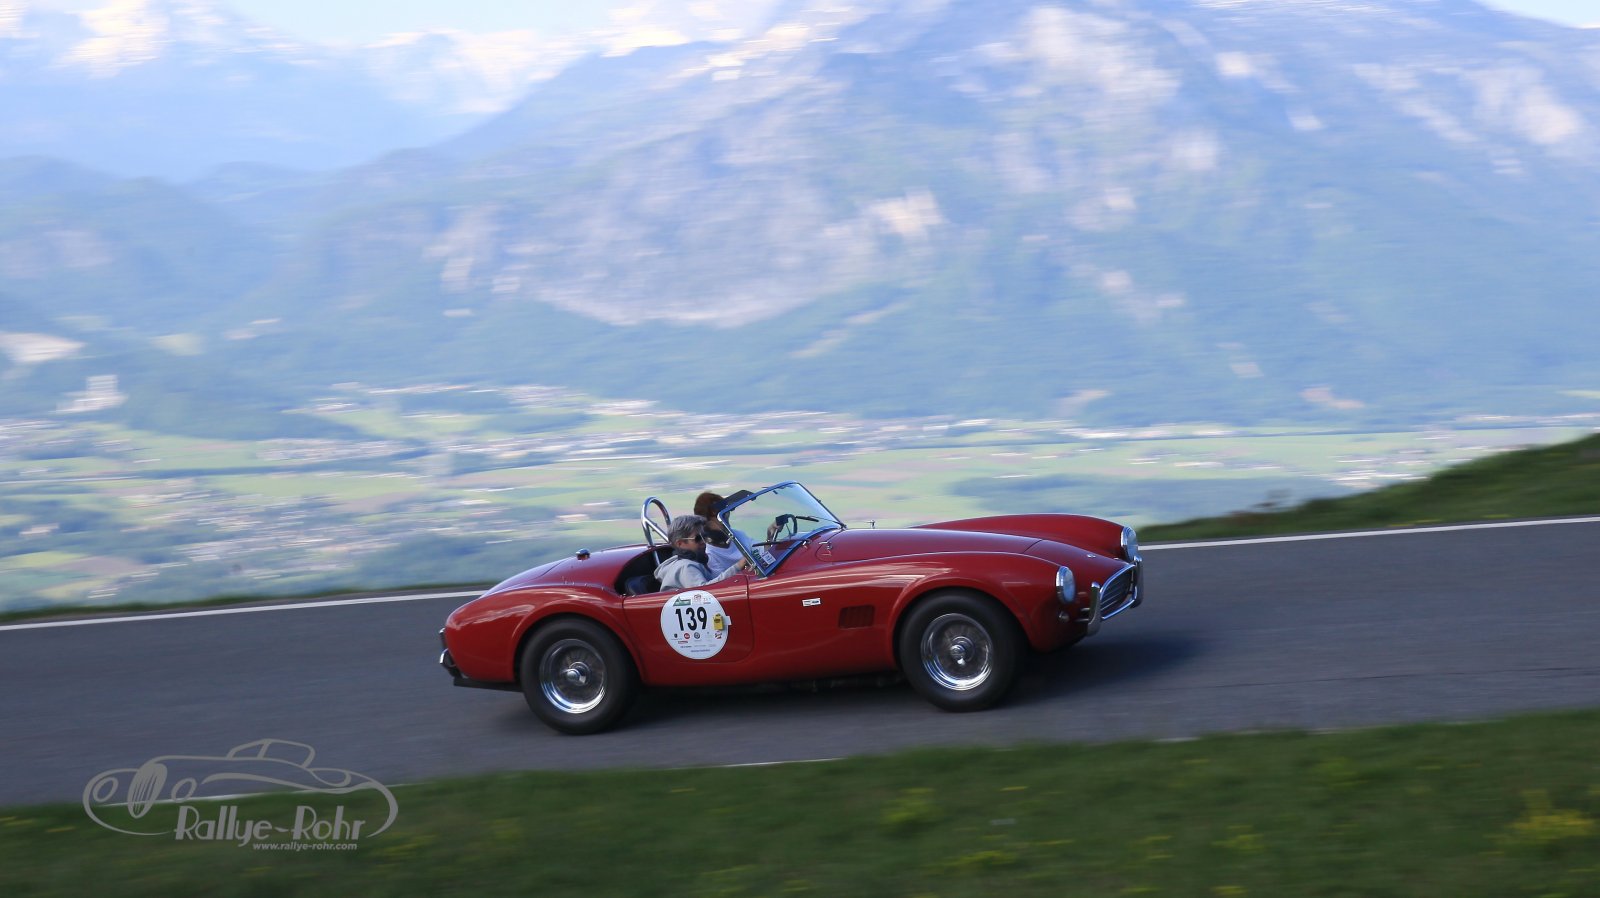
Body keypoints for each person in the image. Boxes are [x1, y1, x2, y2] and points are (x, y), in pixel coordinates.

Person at [655, 514, 749, 589]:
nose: (703, 542)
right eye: (698, 538)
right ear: (680, 543)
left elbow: (717, 577)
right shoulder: (685, 566)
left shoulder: (696, 560)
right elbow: (704, 591)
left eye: (704, 536)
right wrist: (738, 566)